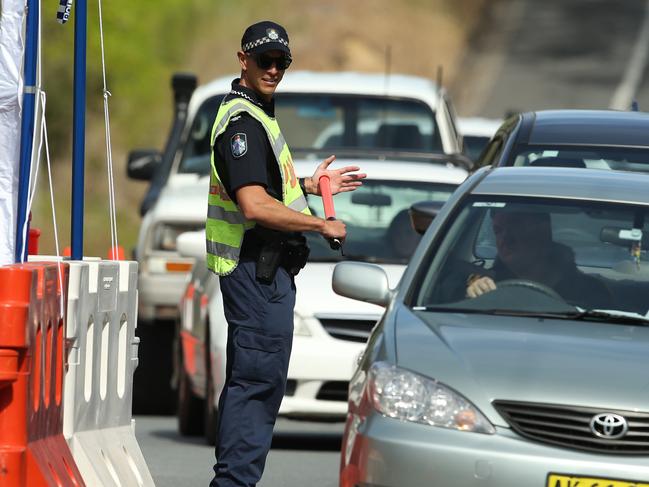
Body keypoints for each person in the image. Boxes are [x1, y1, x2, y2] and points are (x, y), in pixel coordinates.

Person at [205, 21, 366, 487]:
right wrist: (321, 223)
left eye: (282, 62)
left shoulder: (258, 115)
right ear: (243, 60)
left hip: (264, 275)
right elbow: (254, 204)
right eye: (264, 60)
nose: (273, 69)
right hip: (256, 273)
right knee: (255, 388)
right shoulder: (242, 124)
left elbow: (268, 187)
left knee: (254, 385)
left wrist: (312, 186)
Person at [466, 210, 610, 308]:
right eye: (498, 231)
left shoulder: (591, 291)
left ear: (543, 231)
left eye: (515, 227)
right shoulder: (487, 285)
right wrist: (473, 291)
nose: (505, 239)